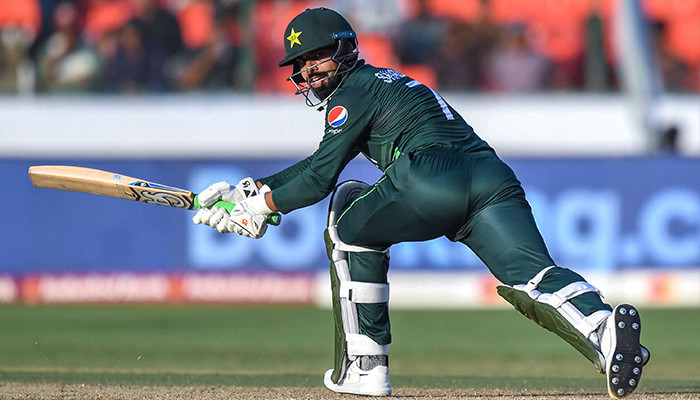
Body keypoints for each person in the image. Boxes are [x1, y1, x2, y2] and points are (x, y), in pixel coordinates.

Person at [192, 8, 649, 399]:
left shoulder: (351, 92)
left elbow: (319, 179)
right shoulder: (388, 81)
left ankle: (365, 366)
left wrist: (262, 206)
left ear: (346, 48)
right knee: (533, 276)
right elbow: (317, 163)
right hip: (490, 177)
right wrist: (248, 191)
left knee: (347, 222)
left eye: (317, 57)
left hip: (429, 177)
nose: (309, 71)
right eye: (300, 63)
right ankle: (604, 328)